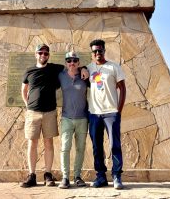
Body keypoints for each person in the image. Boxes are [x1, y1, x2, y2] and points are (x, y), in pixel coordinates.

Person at [20, 44, 88, 188]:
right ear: (36, 54)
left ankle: (48, 174)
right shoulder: (28, 71)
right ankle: (32, 175)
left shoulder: (54, 68)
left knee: (48, 143)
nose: (43, 55)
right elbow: (24, 89)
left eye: (45, 53)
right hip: (33, 112)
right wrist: (27, 104)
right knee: (32, 143)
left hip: (50, 112)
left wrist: (84, 68)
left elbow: (73, 68)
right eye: (40, 53)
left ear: (48, 55)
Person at [87, 39, 126, 190]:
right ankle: (101, 176)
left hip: (111, 113)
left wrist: (119, 110)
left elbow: (122, 88)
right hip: (94, 113)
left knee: (114, 145)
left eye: (100, 50)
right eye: (95, 51)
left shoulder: (114, 67)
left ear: (104, 51)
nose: (98, 53)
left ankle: (117, 176)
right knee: (97, 147)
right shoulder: (88, 68)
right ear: (92, 53)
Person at [58, 51, 89, 189]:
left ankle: (77, 176)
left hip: (82, 118)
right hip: (66, 118)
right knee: (65, 148)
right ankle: (65, 177)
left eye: (75, 61)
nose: (72, 63)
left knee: (80, 149)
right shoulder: (61, 75)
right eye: (69, 60)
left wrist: (85, 69)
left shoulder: (84, 76)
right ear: (66, 63)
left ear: (78, 62)